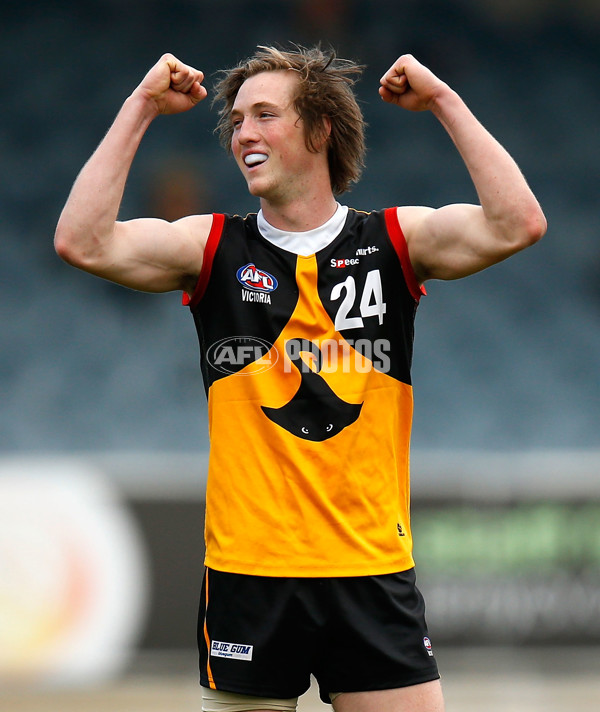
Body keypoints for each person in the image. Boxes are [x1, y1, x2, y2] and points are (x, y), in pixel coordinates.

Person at [54, 45, 546, 712]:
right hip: (249, 577)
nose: (242, 134)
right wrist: (140, 106)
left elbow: (519, 223)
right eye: (235, 122)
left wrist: (443, 102)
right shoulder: (211, 248)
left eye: (264, 116)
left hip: (369, 572)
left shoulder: (395, 243)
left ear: (319, 132)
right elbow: (83, 241)